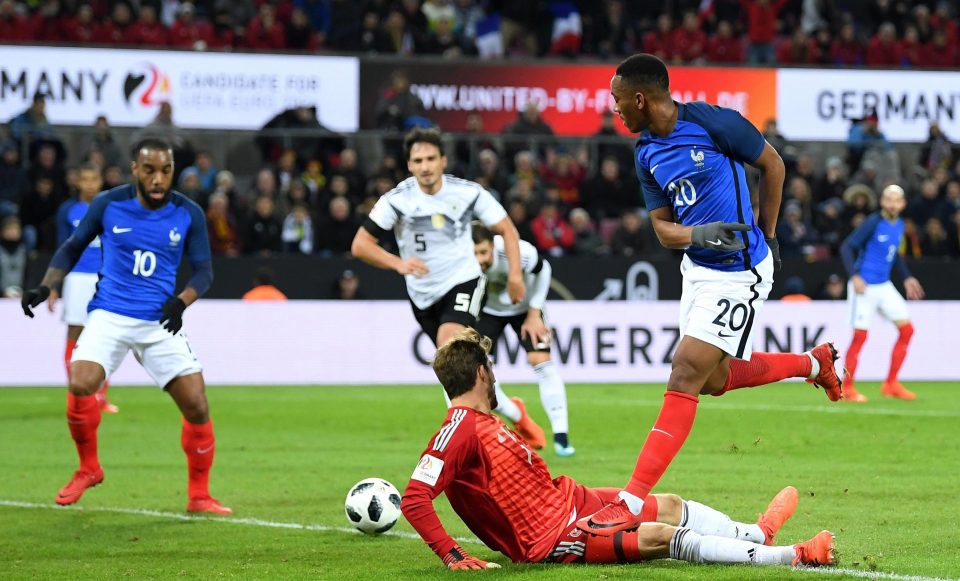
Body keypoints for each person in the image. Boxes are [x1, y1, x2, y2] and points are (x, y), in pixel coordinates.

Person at [578, 54, 844, 536]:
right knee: (714, 380)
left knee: (684, 372)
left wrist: (769, 235)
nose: (614, 108)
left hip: (740, 270)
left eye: (617, 99)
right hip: (697, 269)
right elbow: (663, 229)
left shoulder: (713, 123)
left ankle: (630, 500)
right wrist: (701, 237)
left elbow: (774, 165)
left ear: (640, 97)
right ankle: (814, 363)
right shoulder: (645, 153)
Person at [401, 328, 836, 570]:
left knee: (667, 504)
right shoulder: (458, 429)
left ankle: (757, 534)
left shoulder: (481, 423)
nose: (494, 378)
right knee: (659, 538)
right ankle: (793, 556)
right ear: (481, 373)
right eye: (491, 370)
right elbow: (415, 497)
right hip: (553, 538)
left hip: (570, 500)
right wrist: (453, 555)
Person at [20, 138, 230, 515]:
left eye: (165, 171)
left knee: (197, 406)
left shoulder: (189, 212)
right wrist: (47, 283)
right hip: (110, 314)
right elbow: (72, 246)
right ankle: (89, 468)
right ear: (135, 169)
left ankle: (199, 496)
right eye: (149, 170)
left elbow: (204, 271)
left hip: (158, 320)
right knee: (80, 381)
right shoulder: (108, 204)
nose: (158, 179)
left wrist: (182, 301)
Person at [351, 127, 546, 449]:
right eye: (418, 160)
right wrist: (398, 264)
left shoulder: (467, 193)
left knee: (448, 344)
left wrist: (514, 275)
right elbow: (360, 245)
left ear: (443, 160)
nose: (425, 166)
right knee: (453, 369)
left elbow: (507, 230)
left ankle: (468, 440)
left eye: (430, 158)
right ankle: (514, 413)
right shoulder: (397, 200)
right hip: (422, 294)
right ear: (409, 165)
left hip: (463, 280)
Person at [472, 223, 573, 456]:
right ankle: (515, 414)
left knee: (541, 361)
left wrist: (534, 312)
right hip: (489, 311)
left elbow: (544, 270)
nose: (479, 259)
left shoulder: (520, 252)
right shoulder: (463, 258)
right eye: (475, 253)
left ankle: (562, 438)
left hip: (526, 307)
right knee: (476, 370)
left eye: (483, 252)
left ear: (492, 245)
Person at [839, 184, 924, 403]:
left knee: (907, 330)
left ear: (903, 204)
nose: (892, 204)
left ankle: (891, 384)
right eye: (889, 199)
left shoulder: (900, 225)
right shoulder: (873, 222)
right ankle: (847, 389)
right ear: (882, 202)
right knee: (860, 337)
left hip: (884, 285)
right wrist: (854, 276)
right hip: (864, 286)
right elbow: (847, 247)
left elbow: (893, 255)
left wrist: (907, 277)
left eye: (897, 200)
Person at [49, 164, 118, 413]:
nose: (89, 184)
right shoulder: (68, 210)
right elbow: (62, 248)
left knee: (106, 336)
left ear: (101, 182)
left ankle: (101, 396)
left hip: (105, 279)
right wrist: (54, 284)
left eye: (94, 179)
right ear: (77, 181)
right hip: (76, 278)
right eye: (85, 178)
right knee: (75, 334)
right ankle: (78, 393)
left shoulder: (111, 209)